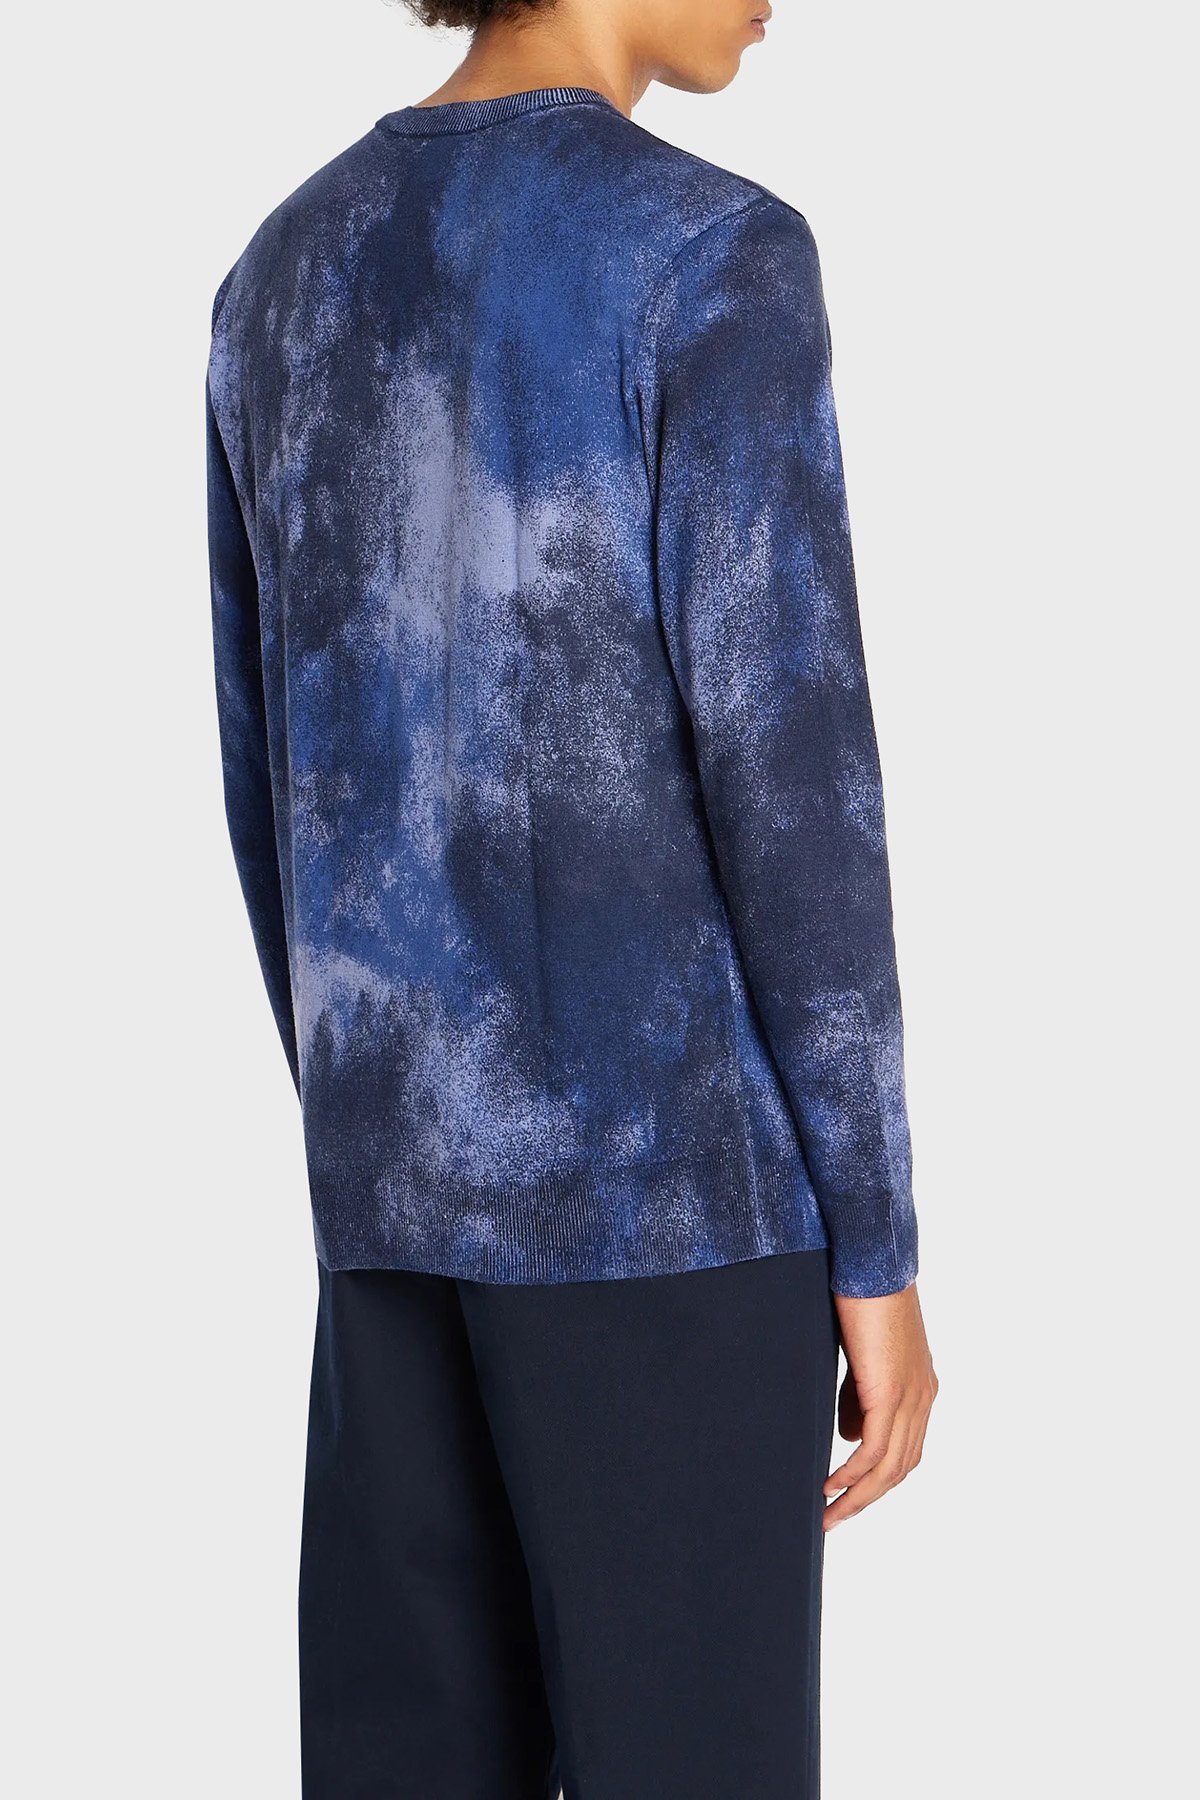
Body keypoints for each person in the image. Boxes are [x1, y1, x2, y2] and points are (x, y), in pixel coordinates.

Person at [205, 1, 938, 1793]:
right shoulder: (712, 257)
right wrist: (878, 1246)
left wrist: (379, 1136)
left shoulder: (279, 277)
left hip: (389, 1217)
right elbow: (796, 788)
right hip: (668, 1223)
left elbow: (268, 784)